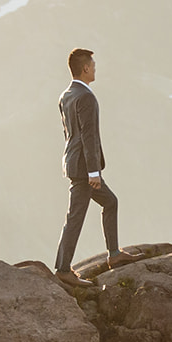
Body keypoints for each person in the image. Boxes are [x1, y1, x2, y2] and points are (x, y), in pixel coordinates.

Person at [54, 48, 140, 285]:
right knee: (75, 217)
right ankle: (63, 269)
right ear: (85, 68)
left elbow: (69, 134)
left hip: (73, 163)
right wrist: (94, 172)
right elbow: (88, 136)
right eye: (93, 65)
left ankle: (114, 254)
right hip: (85, 170)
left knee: (109, 202)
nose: (95, 68)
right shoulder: (86, 97)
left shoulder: (66, 95)